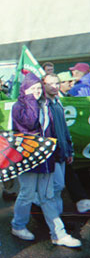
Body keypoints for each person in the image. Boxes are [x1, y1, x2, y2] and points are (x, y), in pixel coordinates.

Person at [11, 73, 81, 248]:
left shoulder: (46, 105)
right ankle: (18, 226)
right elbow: (30, 123)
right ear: (24, 90)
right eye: (31, 88)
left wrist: (60, 152)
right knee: (27, 194)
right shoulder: (18, 106)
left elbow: (53, 131)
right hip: (27, 159)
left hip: (46, 158)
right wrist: (32, 101)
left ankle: (58, 234)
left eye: (37, 88)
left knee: (48, 196)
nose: (35, 92)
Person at [43, 74, 90, 214]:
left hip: (62, 149)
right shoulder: (42, 105)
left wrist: (68, 149)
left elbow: (63, 128)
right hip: (51, 151)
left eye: (57, 83)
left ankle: (58, 221)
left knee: (58, 185)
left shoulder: (58, 102)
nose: (55, 86)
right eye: (50, 84)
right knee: (54, 187)